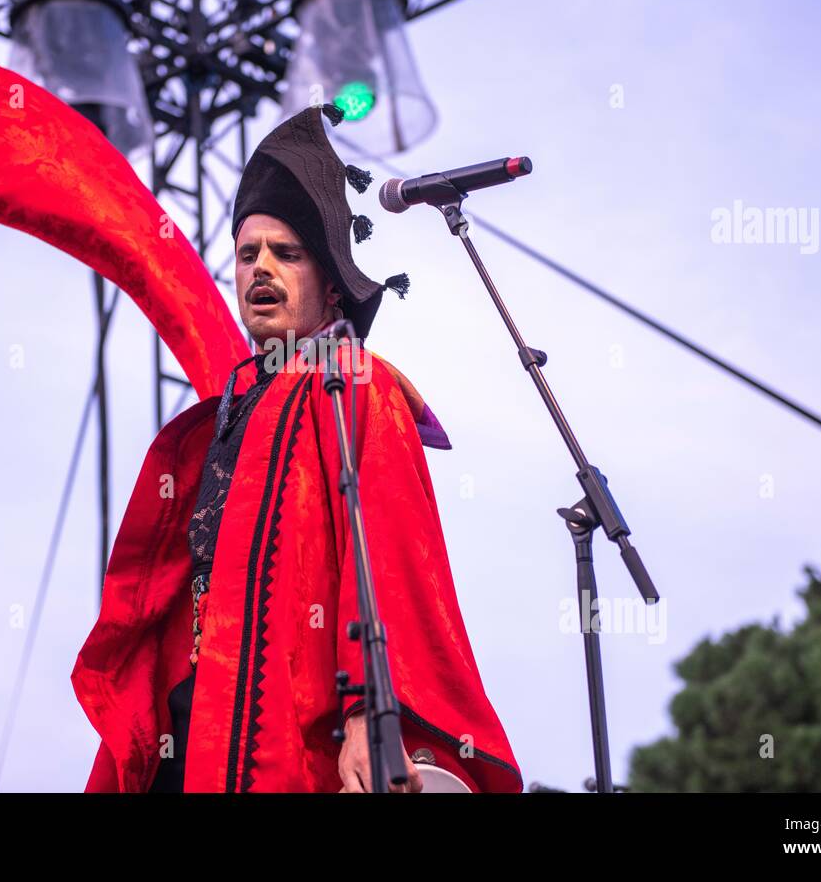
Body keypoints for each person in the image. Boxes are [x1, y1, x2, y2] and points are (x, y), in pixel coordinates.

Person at [72, 102, 522, 793]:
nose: (262, 269)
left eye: (287, 253)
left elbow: (394, 567)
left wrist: (377, 715)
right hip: (186, 730)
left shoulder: (359, 391)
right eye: (248, 253)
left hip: (294, 737)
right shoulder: (205, 429)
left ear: (332, 281)